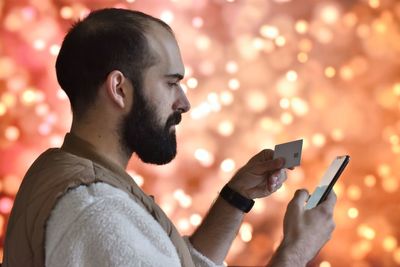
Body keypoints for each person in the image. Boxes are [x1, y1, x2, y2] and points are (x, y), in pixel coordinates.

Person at [2, 8, 336, 267]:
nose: (184, 103)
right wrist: (296, 252)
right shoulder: (95, 210)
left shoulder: (70, 174)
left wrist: (236, 198)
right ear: (119, 88)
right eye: (170, 82)